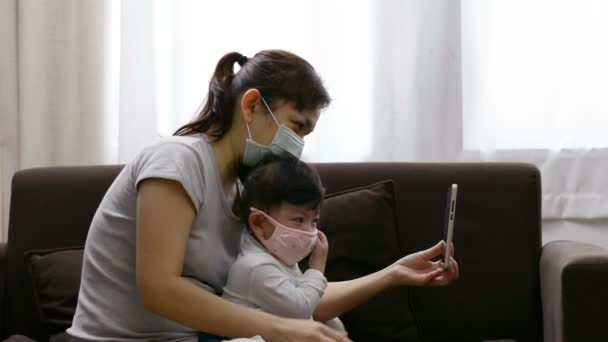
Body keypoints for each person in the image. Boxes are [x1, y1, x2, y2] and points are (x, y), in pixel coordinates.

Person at [67, 49, 459, 342]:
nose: (297, 145)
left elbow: (292, 300)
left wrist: (393, 275)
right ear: (252, 105)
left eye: (305, 135)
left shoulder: (246, 191)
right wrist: (282, 330)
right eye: (295, 126)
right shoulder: (176, 161)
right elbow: (159, 289)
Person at [220, 156, 346, 342]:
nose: (310, 232)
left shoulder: (277, 255)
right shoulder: (255, 266)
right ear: (260, 222)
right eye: (299, 220)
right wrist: (317, 269)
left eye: (314, 221)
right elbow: (301, 309)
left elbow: (307, 306)